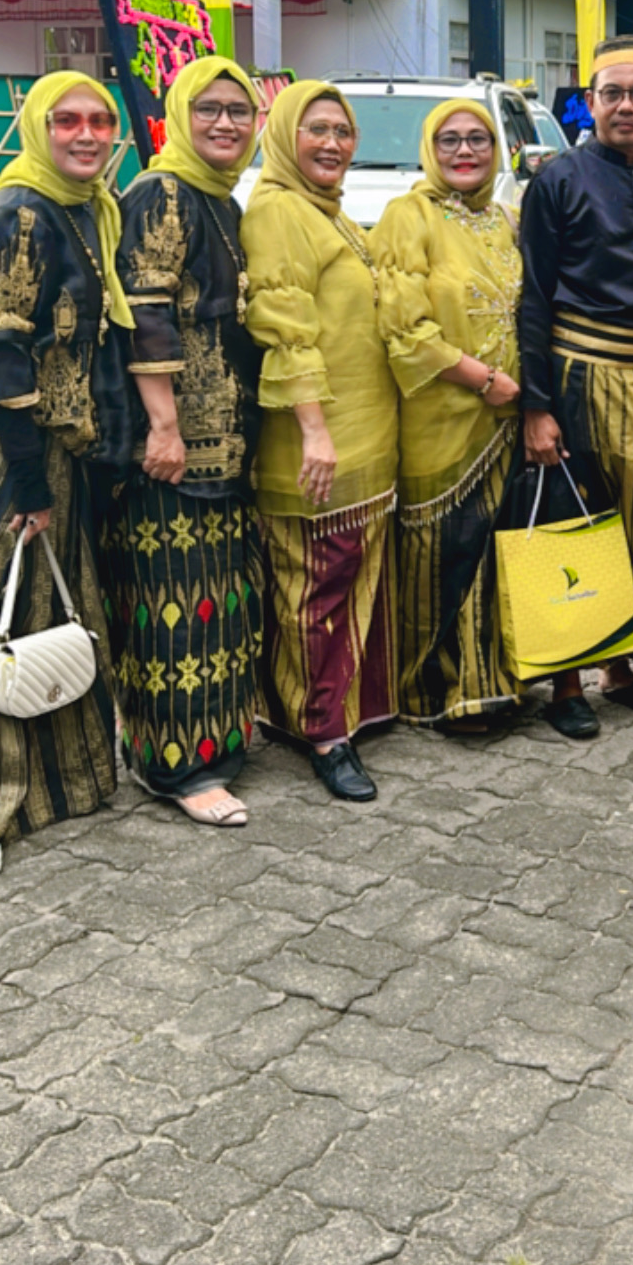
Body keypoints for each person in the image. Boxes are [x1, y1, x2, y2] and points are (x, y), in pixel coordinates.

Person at [0, 73, 133, 880]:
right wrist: (27, 486)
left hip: (53, 447)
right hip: (1, 448)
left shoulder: (87, 208)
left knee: (38, 610)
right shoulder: (17, 215)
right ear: (37, 128)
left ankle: (50, 785)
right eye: (66, 121)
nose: (86, 135)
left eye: (100, 120)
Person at [518, 37, 633, 739]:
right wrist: (537, 407)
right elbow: (533, 299)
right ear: (589, 101)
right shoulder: (556, 181)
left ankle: (621, 671)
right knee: (576, 529)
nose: (626, 106)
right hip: (579, 378)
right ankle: (566, 683)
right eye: (612, 93)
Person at [103, 58, 264, 826]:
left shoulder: (220, 197)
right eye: (209, 109)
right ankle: (178, 768)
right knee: (171, 605)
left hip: (226, 443)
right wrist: (164, 426)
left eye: (239, 110)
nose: (226, 123)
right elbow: (145, 311)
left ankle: (217, 745)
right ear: (178, 115)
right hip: (175, 449)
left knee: (218, 601)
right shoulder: (162, 192)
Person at [241, 81, 398, 800]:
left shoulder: (326, 211)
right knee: (315, 586)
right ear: (283, 136)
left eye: (343, 130)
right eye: (316, 130)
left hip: (364, 432)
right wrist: (313, 432)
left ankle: (328, 710)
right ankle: (324, 734)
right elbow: (286, 331)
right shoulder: (278, 211)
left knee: (342, 578)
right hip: (317, 440)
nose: (333, 143)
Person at [373, 98, 522, 734]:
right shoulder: (408, 216)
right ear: (430, 151)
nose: (465, 152)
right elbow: (403, 328)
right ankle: (429, 689)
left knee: (493, 554)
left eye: (478, 139)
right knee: (440, 553)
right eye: (450, 140)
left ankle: (488, 686)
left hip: (506, 421)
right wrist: (483, 380)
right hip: (442, 418)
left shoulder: (507, 219)